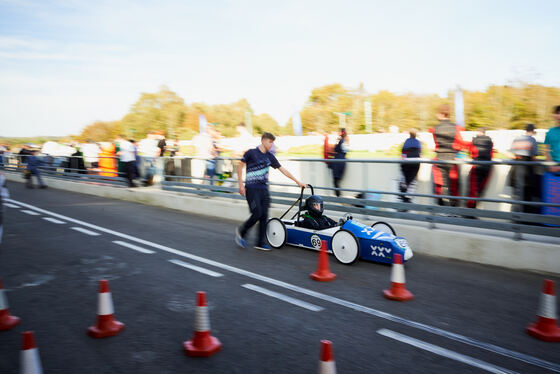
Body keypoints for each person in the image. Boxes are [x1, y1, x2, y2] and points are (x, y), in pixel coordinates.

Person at [235, 132, 306, 250]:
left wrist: (298, 182)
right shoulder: (251, 153)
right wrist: (241, 185)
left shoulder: (270, 156)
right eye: (270, 142)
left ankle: (260, 242)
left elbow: (283, 170)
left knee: (264, 216)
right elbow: (240, 166)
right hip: (252, 189)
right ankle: (241, 232)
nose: (271, 145)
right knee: (257, 213)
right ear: (263, 140)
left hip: (264, 190)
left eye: (273, 143)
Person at [429, 104, 468, 206]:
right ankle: (454, 209)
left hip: (439, 159)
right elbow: (460, 144)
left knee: (439, 185)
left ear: (442, 114)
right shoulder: (455, 127)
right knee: (453, 185)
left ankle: (441, 208)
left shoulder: (435, 129)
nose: (436, 115)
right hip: (451, 159)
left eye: (437, 113)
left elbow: (437, 144)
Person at [509, 123, 540, 213]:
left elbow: (512, 154)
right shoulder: (532, 140)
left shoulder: (516, 139)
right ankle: (525, 220)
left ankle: (515, 219)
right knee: (527, 196)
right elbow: (534, 158)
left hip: (515, 170)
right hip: (527, 171)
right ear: (533, 131)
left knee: (516, 196)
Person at [466, 128, 494, 209]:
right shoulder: (490, 141)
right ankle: (475, 209)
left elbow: (471, 152)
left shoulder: (474, 140)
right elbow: (491, 154)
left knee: (473, 190)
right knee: (480, 190)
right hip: (487, 167)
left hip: (477, 166)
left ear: (479, 132)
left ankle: (470, 211)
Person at [399, 129, 421, 203]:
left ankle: (403, 192)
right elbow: (419, 154)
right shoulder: (418, 142)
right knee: (412, 180)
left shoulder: (406, 141)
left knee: (404, 177)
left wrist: (402, 163)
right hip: (415, 163)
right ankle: (408, 197)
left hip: (406, 162)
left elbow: (403, 153)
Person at [330, 128, 349, 197]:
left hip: (338, 162)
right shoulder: (345, 141)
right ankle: (339, 196)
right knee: (337, 181)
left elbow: (335, 149)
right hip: (342, 161)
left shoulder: (340, 140)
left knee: (335, 181)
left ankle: (339, 196)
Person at [544, 105, 560, 172]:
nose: (559, 115)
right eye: (557, 113)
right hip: (554, 168)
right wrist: (551, 166)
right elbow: (547, 151)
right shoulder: (550, 132)